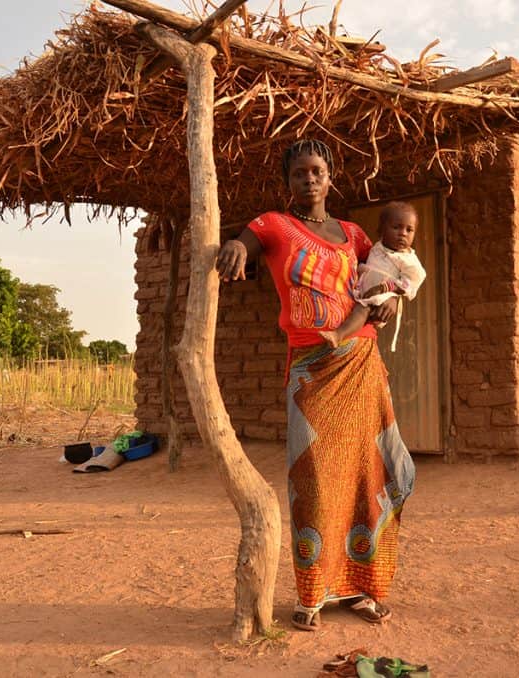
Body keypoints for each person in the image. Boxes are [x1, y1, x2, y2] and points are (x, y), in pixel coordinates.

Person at [215, 139, 415, 632]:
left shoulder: (353, 234)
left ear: (330, 177)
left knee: (370, 476)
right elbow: (247, 241)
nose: (309, 179)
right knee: (312, 481)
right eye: (300, 172)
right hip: (311, 370)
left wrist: (392, 300)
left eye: (317, 171)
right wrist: (237, 246)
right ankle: (314, 593)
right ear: (289, 181)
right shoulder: (274, 225)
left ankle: (366, 588)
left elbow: (388, 273)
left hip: (361, 362)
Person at [318, 201, 426, 351]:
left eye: (409, 230)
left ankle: (338, 335)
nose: (403, 233)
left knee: (362, 310)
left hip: (382, 295)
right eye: (396, 227)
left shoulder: (408, 259)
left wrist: (391, 291)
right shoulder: (377, 247)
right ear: (381, 230)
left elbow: (415, 279)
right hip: (363, 287)